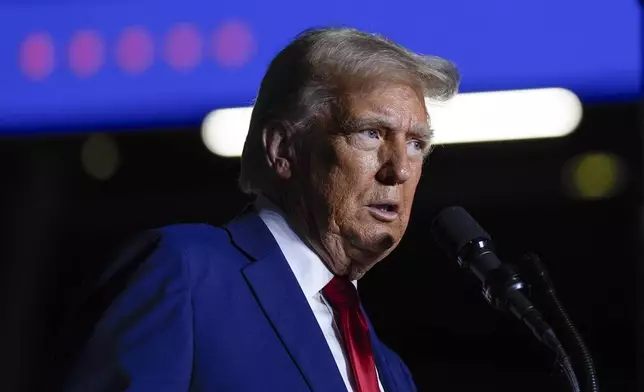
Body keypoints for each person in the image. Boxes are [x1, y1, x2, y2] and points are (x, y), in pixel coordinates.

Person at [64, 26, 459, 392]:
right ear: (282, 149)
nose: (401, 169)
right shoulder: (185, 273)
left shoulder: (390, 371)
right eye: (371, 133)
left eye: (416, 144)